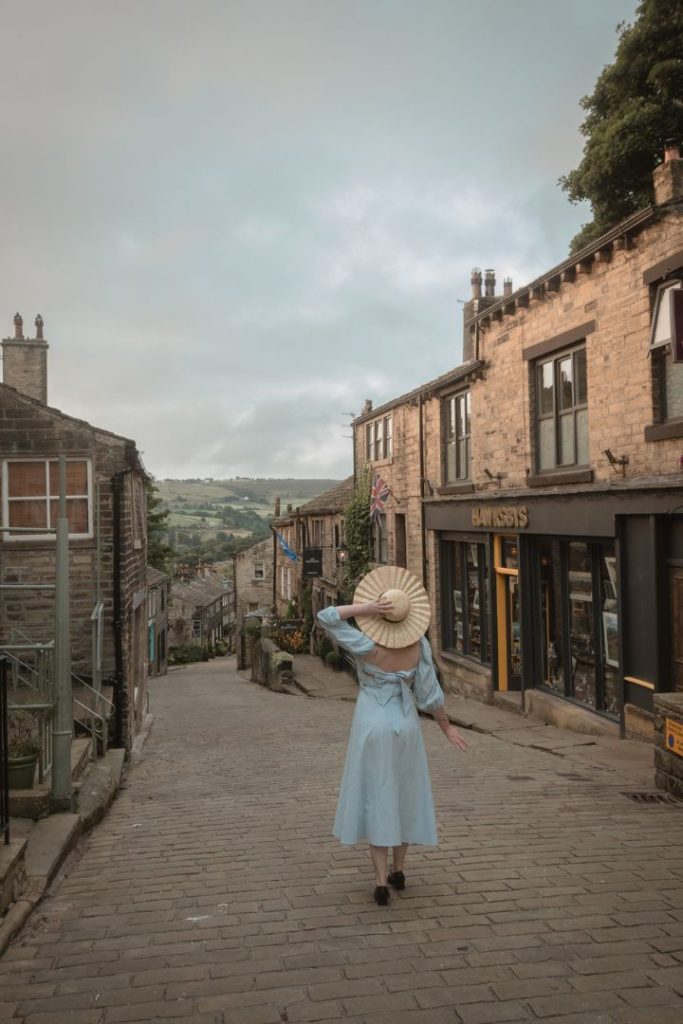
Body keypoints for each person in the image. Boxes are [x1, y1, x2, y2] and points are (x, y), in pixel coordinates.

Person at [317, 565, 467, 906]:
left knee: (377, 798)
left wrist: (367, 609)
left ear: (381, 614)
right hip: (406, 726)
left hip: (372, 726)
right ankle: (401, 870)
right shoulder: (419, 647)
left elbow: (327, 616)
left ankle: (381, 882)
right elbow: (430, 696)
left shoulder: (366, 644)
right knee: (405, 795)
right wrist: (446, 726)